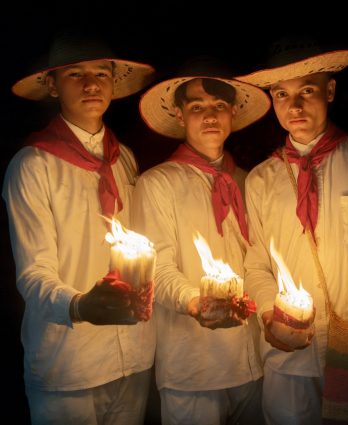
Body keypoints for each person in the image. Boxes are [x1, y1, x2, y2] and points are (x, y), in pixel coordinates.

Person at [238, 38, 348, 425]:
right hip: (290, 354)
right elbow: (256, 266)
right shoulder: (262, 179)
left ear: (330, 91)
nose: (294, 105)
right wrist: (271, 316)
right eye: (282, 94)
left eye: (307, 91)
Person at [2, 32, 157, 424]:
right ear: (52, 85)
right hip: (68, 364)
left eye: (101, 73)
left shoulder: (125, 160)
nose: (91, 84)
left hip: (133, 358)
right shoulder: (33, 166)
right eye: (75, 74)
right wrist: (79, 305)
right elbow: (33, 273)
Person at [132, 59, 271, 424]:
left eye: (218, 107)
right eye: (197, 107)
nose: (209, 116)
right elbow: (156, 268)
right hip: (191, 366)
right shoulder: (157, 183)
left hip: (252, 360)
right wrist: (194, 301)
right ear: (180, 115)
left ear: (233, 112)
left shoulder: (249, 181)